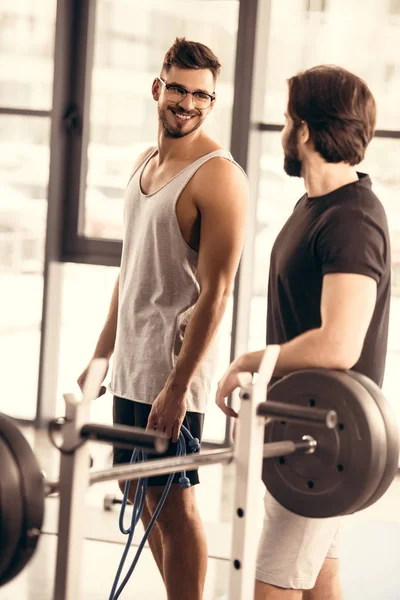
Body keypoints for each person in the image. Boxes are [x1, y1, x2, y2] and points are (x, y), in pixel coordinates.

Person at [78, 37, 248, 600]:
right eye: (178, 88)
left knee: (174, 504)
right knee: (142, 496)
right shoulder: (144, 164)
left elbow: (217, 293)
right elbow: (130, 274)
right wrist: (101, 357)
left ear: (212, 101)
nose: (187, 103)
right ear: (158, 88)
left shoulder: (219, 177)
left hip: (173, 377)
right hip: (132, 366)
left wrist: (177, 388)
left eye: (201, 94)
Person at [216, 65, 391, 600]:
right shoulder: (317, 207)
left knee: (273, 586)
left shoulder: (353, 221)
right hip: (305, 427)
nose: (284, 130)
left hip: (326, 437)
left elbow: (339, 344)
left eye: (289, 119)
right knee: (319, 579)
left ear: (308, 132)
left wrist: (249, 361)